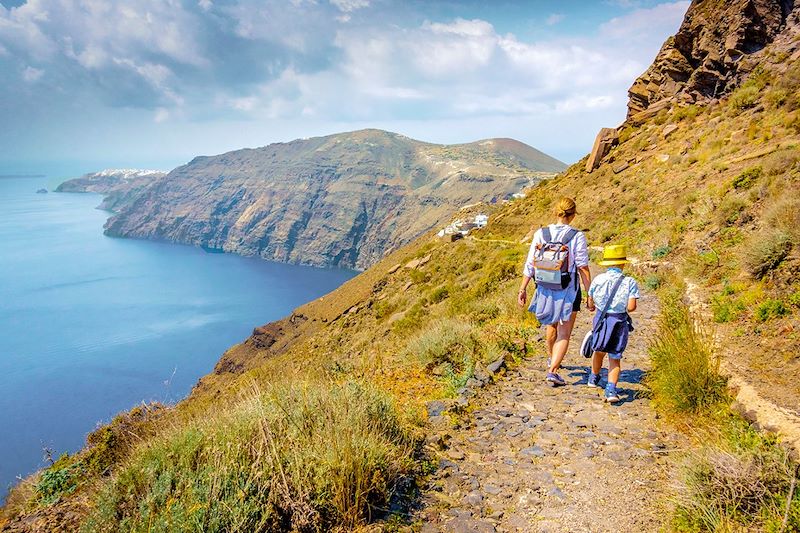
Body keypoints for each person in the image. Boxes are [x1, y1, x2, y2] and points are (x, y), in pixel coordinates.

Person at [518, 197, 593, 386]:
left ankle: (552, 359)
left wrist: (523, 288)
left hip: (544, 287)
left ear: (556, 212)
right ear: (573, 214)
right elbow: (583, 267)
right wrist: (589, 294)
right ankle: (553, 370)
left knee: (551, 326)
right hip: (568, 288)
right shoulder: (576, 236)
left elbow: (530, 263)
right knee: (564, 332)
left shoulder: (541, 233)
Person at [586, 244, 640, 403]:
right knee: (615, 357)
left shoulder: (598, 279)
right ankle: (611, 389)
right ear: (623, 263)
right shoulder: (630, 282)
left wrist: (594, 305)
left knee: (599, 350)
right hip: (619, 322)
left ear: (607, 264)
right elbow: (631, 307)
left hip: (601, 320)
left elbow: (590, 303)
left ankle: (593, 377)